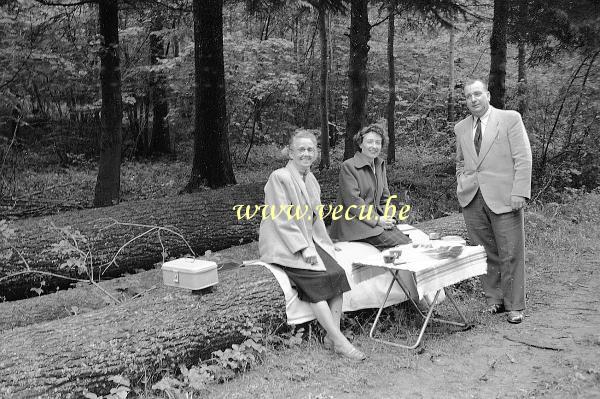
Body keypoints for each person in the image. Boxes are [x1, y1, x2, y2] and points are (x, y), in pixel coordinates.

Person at [259, 129, 366, 361]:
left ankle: (331, 336)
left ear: (316, 153)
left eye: (310, 149)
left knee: (337, 274)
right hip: (283, 245)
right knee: (316, 281)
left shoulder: (311, 179)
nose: (306, 153)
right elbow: (281, 218)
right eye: (301, 149)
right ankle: (339, 341)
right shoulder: (279, 177)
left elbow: (316, 218)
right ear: (290, 152)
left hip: (307, 241)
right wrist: (303, 248)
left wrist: (325, 244)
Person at [454, 78, 532, 324]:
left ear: (488, 94)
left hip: (505, 197)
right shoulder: (461, 127)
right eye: (468, 96)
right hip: (472, 198)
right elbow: (460, 161)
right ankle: (494, 299)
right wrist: (461, 182)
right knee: (484, 252)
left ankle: (514, 305)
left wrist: (520, 192)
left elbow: (523, 158)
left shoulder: (510, 119)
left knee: (510, 252)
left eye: (477, 94)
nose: (473, 99)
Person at [329, 123, 411, 249]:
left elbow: (385, 198)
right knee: (402, 245)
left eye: (378, 143)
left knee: (407, 242)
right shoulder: (349, 166)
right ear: (361, 144)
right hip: (354, 224)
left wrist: (388, 217)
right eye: (370, 142)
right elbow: (354, 203)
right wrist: (378, 220)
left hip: (374, 222)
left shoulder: (379, 165)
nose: (374, 146)